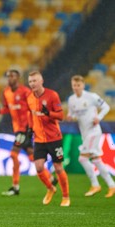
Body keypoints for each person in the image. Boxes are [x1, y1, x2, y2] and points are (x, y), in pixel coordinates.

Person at [26, 71, 70, 207]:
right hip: (39, 139)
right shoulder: (29, 98)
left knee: (57, 167)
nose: (32, 84)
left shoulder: (52, 95)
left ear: (41, 81)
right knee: (39, 167)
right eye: (30, 81)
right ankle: (51, 188)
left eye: (34, 81)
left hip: (54, 138)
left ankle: (66, 196)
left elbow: (61, 115)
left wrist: (48, 113)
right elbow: (31, 115)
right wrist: (29, 129)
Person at [66, 75, 115, 198]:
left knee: (82, 159)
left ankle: (95, 184)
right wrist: (70, 116)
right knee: (96, 160)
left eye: (78, 85)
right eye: (74, 85)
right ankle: (112, 185)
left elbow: (106, 107)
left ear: (83, 85)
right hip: (84, 133)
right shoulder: (71, 99)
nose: (76, 88)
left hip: (93, 131)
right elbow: (71, 112)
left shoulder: (91, 97)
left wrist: (98, 117)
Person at [0, 70, 35, 196]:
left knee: (13, 154)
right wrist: (0, 111)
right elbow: (9, 108)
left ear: (18, 78)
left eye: (12, 76)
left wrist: (31, 127)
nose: (10, 78)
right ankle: (50, 179)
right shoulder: (6, 92)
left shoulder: (26, 92)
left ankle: (15, 186)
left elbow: (33, 108)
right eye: (8, 76)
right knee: (32, 157)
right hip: (17, 128)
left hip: (26, 128)